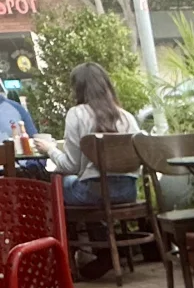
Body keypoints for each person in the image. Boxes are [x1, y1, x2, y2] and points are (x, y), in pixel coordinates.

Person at [33, 62, 140, 207]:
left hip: (92, 193)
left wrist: (50, 150)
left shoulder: (76, 114)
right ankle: (99, 228)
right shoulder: (127, 117)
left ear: (77, 88)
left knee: (58, 184)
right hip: (128, 192)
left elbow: (71, 166)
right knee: (72, 182)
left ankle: (72, 230)